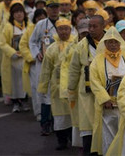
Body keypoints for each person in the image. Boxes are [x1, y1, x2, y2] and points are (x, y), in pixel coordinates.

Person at [89, 27, 125, 155]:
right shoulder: (97, 61)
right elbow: (95, 82)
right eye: (110, 42)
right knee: (108, 135)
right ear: (105, 43)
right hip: (107, 107)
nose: (113, 45)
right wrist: (105, 98)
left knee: (124, 134)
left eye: (116, 42)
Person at [67, 15, 106, 155]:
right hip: (86, 92)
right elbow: (74, 69)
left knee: (106, 126)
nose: (92, 29)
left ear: (103, 26)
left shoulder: (111, 42)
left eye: (95, 26)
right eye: (90, 26)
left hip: (106, 91)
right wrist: (71, 89)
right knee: (88, 126)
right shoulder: (82, 45)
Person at [38, 18, 77, 150]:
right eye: (61, 29)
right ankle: (62, 140)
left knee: (73, 116)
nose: (64, 32)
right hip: (57, 88)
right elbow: (46, 69)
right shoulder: (52, 49)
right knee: (60, 117)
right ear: (57, 31)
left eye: (66, 29)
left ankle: (74, 140)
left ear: (70, 30)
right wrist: (43, 86)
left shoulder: (77, 45)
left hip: (73, 88)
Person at [29, 0, 61, 135]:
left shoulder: (64, 23)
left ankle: (57, 123)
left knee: (57, 95)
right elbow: (33, 42)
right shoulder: (41, 25)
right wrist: (37, 54)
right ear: (46, 9)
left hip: (59, 65)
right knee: (45, 95)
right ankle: (45, 124)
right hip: (44, 65)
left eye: (56, 7)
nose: (54, 10)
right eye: (51, 7)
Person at [0, 0, 29, 112]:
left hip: (25, 59)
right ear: (12, 14)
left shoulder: (28, 26)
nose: (19, 14)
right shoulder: (8, 27)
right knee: (15, 82)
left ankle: (25, 101)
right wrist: (12, 52)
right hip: (13, 60)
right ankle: (16, 103)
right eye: (16, 12)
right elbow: (2, 43)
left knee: (25, 81)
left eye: (21, 11)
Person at [19, 8, 47, 117]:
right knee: (37, 88)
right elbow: (23, 45)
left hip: (49, 63)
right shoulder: (30, 29)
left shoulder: (51, 27)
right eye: (38, 17)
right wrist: (33, 57)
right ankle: (39, 112)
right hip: (35, 64)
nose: (40, 19)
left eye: (42, 16)